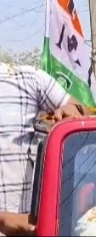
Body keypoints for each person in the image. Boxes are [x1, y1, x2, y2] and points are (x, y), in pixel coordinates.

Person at [0, 62, 89, 235]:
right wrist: (5, 220)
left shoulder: (28, 79)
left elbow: (87, 115)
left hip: (34, 230)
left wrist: (71, 110)